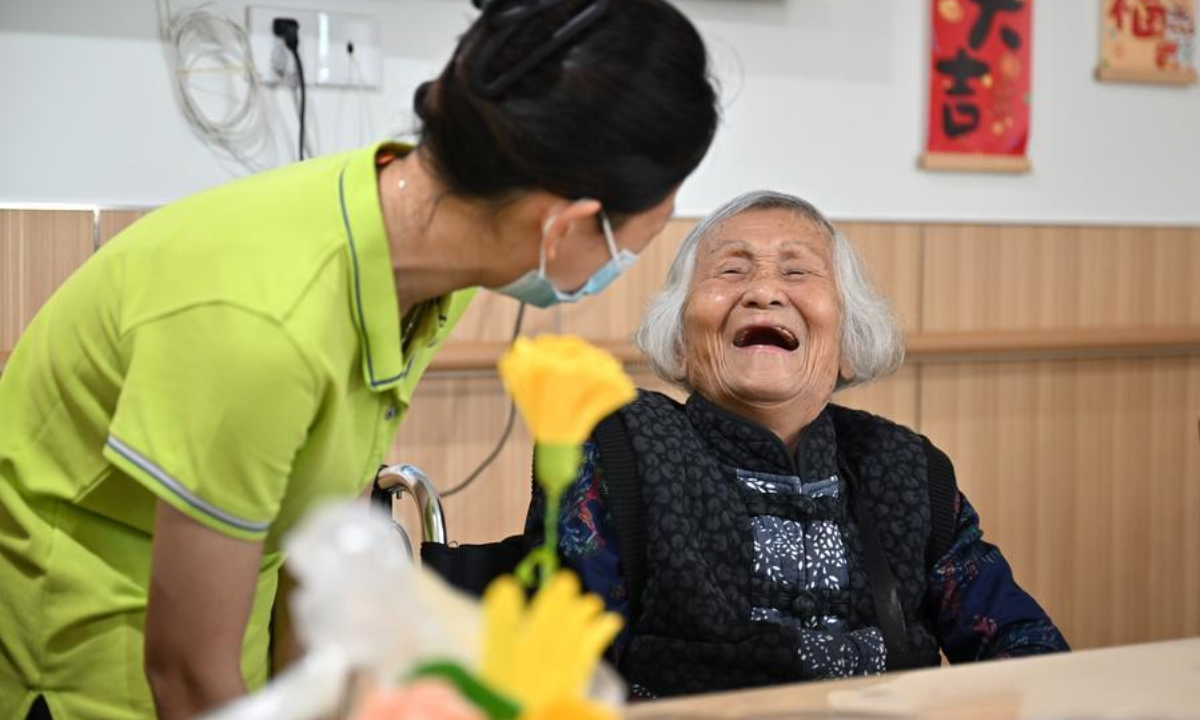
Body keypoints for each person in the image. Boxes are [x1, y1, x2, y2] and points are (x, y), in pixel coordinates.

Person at [0, 1, 719, 718]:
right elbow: (186, 672)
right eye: (635, 239)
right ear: (560, 226)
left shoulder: (428, 250)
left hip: (233, 649)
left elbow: (319, 518)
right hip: (87, 669)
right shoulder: (263, 324)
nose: (625, 262)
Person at [528, 190, 1068, 699]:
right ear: (681, 344)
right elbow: (565, 679)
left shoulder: (907, 468)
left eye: (797, 271)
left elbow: (1028, 652)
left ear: (848, 344)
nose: (763, 291)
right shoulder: (619, 447)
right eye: (731, 270)